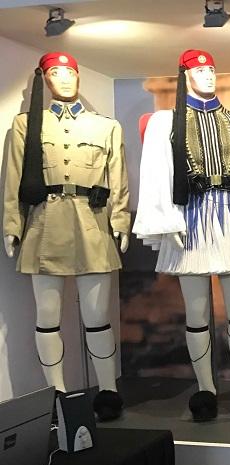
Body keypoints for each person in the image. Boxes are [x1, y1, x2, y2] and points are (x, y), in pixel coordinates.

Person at [133, 49, 230, 422]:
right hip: (190, 219)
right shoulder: (162, 123)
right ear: (185, 75)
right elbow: (156, 174)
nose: (207, 75)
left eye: (211, 70)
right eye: (199, 70)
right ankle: (205, 390)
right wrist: (167, 221)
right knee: (197, 313)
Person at [2, 52, 130, 421]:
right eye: (55, 73)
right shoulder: (27, 125)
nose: (65, 78)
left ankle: (108, 391)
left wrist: (120, 220)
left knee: (98, 316)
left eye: (70, 72)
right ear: (44, 79)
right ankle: (56, 396)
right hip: (46, 224)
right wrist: (12, 225)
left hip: (92, 223)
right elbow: (13, 178)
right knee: (47, 317)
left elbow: (118, 179)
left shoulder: (105, 126)